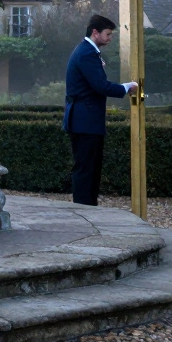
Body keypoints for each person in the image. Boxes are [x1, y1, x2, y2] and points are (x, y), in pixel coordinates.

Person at [62, 14, 138, 206]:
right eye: (108, 34)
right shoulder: (87, 53)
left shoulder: (87, 50)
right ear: (95, 32)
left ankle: (88, 205)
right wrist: (126, 87)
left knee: (90, 167)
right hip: (85, 120)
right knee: (86, 168)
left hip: (84, 119)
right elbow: (100, 86)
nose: (110, 38)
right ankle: (85, 207)